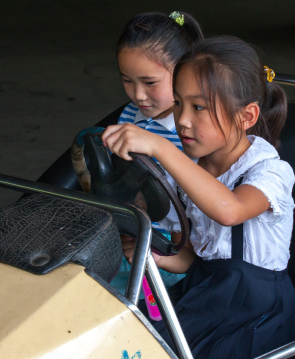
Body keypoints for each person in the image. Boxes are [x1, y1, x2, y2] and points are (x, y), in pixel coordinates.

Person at [103, 36, 295, 358]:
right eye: (179, 103)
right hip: (206, 297)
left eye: (199, 107)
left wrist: (162, 147)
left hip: (254, 318)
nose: (183, 119)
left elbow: (230, 210)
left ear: (246, 117)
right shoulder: (187, 174)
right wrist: (154, 254)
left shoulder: (270, 172)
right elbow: (194, 259)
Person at [110, 11, 204, 296]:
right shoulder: (129, 114)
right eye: (127, 80)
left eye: (149, 83)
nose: (138, 95)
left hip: (174, 244)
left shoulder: (192, 129)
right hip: (130, 227)